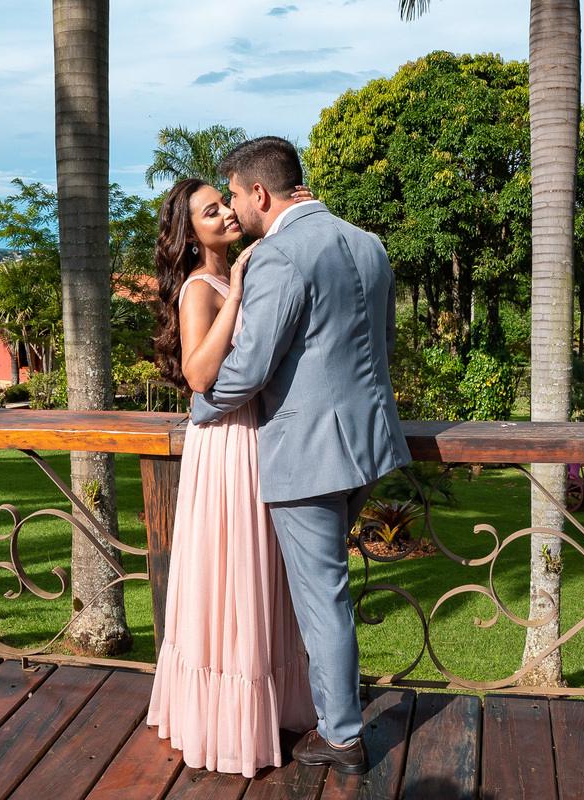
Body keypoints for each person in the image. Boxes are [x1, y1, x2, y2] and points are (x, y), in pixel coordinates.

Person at [192, 137, 411, 775]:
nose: (233, 207)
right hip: (370, 444)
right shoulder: (367, 242)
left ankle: (341, 736)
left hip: (309, 452)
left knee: (323, 600)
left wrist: (202, 407)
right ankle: (319, 706)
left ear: (260, 193)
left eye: (233, 193)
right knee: (326, 595)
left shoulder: (281, 255)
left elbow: (250, 365)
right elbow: (382, 344)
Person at [146, 177, 318, 777]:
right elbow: (197, 375)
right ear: (189, 234)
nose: (223, 214)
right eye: (208, 211)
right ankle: (226, 720)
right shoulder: (201, 288)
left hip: (256, 438)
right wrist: (238, 294)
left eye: (224, 202)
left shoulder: (246, 267)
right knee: (230, 569)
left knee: (258, 571)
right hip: (224, 444)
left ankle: (268, 703)